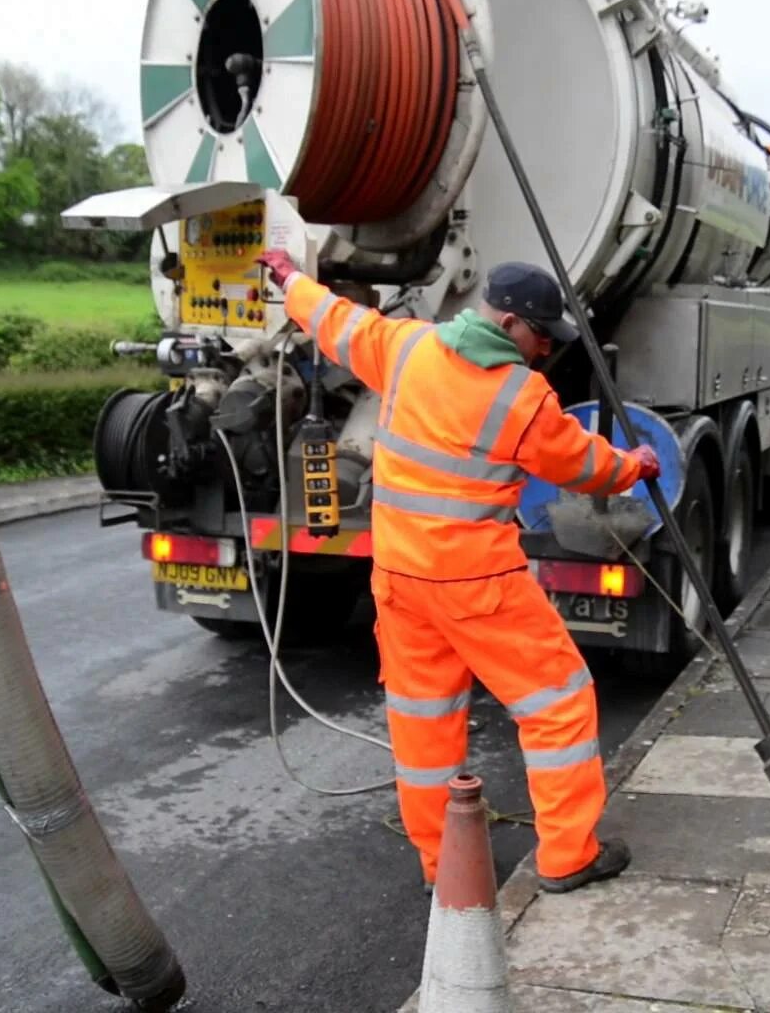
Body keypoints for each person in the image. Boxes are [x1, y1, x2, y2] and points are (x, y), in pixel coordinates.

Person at [259, 247, 659, 894]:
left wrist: (287, 277)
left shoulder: (407, 347)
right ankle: (566, 855)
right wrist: (634, 464)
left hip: (399, 582)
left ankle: (445, 868)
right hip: (480, 585)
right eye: (538, 337)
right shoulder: (522, 395)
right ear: (508, 325)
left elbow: (332, 319)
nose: (541, 352)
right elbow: (580, 464)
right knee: (559, 703)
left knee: (424, 728)